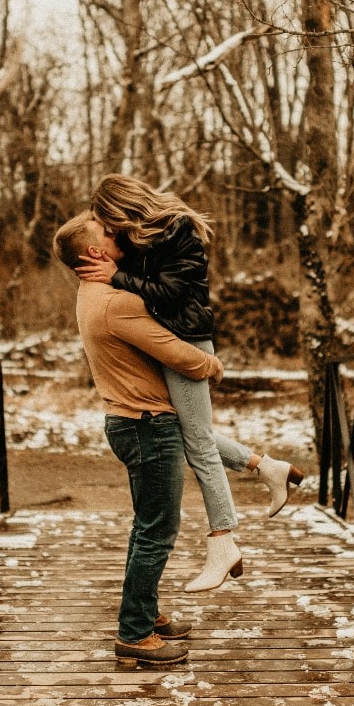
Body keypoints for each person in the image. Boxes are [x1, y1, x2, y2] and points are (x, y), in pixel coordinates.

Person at [76, 173, 304, 593]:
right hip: (162, 339)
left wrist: (118, 277)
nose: (110, 233)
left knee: (196, 442)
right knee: (182, 431)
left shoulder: (177, 231)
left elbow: (173, 292)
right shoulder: (137, 241)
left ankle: (224, 542)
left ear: (124, 208)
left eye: (109, 223)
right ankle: (267, 467)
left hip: (187, 338)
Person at [52, 210, 226, 666]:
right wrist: (213, 365)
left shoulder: (93, 294)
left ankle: (144, 614)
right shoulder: (115, 301)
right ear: (95, 252)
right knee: (157, 532)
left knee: (146, 527)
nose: (117, 234)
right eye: (107, 232)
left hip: (130, 421)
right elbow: (178, 355)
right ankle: (134, 634)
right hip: (149, 425)